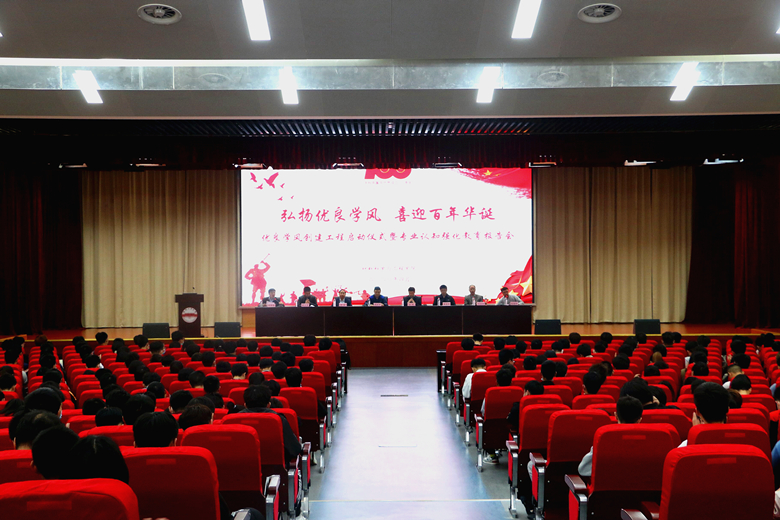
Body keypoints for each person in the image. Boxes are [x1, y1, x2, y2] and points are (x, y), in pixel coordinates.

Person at [578, 396, 643, 477]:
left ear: (616, 416)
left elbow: (583, 469)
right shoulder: (650, 441)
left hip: (607, 484)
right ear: (640, 420)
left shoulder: (605, 438)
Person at [240, 385, 302, 463]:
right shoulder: (278, 419)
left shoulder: (233, 420)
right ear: (269, 405)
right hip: (276, 468)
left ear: (245, 405)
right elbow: (294, 449)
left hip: (242, 466)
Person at [679, 382, 730, 447]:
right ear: (728, 409)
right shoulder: (740, 441)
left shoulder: (685, 447)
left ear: (697, 412)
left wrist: (696, 431)